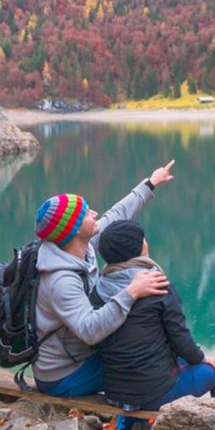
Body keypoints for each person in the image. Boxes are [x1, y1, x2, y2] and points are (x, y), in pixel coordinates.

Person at [31, 161, 176, 398]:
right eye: (87, 213)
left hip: (80, 355)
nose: (95, 214)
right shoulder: (60, 281)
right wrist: (131, 291)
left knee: (150, 354)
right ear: (75, 228)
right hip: (64, 374)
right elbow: (89, 330)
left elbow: (116, 214)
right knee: (150, 366)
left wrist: (150, 183)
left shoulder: (80, 245)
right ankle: (135, 421)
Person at [94, 219, 215, 430]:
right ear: (140, 248)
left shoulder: (99, 288)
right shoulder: (157, 286)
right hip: (153, 395)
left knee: (141, 354)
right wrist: (201, 359)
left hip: (116, 393)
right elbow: (180, 338)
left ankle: (125, 429)